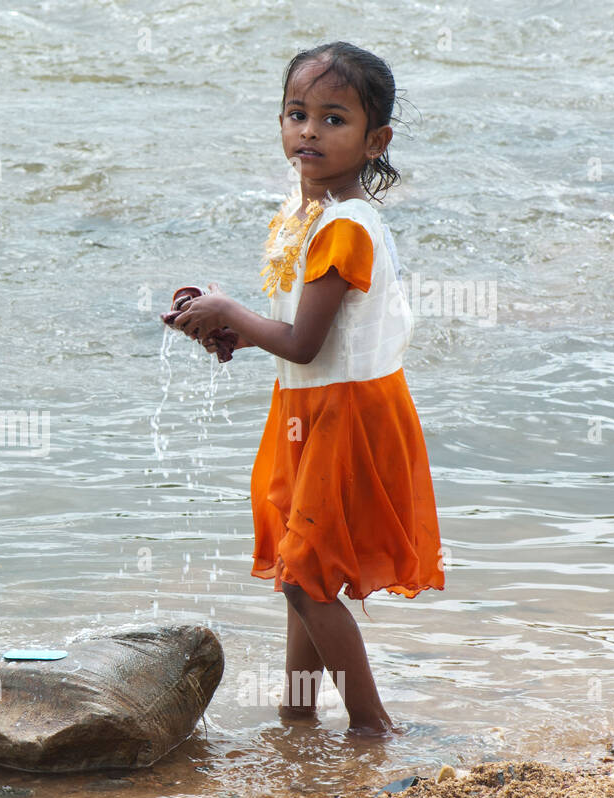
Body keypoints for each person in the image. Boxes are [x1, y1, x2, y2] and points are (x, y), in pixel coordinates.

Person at [167, 41, 445, 737]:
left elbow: (302, 342)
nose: (310, 131)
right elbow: (291, 329)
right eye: (298, 114)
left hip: (348, 414)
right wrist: (228, 322)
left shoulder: (347, 226)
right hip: (307, 409)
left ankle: (371, 724)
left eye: (334, 119)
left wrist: (234, 316)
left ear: (375, 139)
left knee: (304, 577)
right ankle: (296, 713)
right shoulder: (303, 216)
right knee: (303, 574)